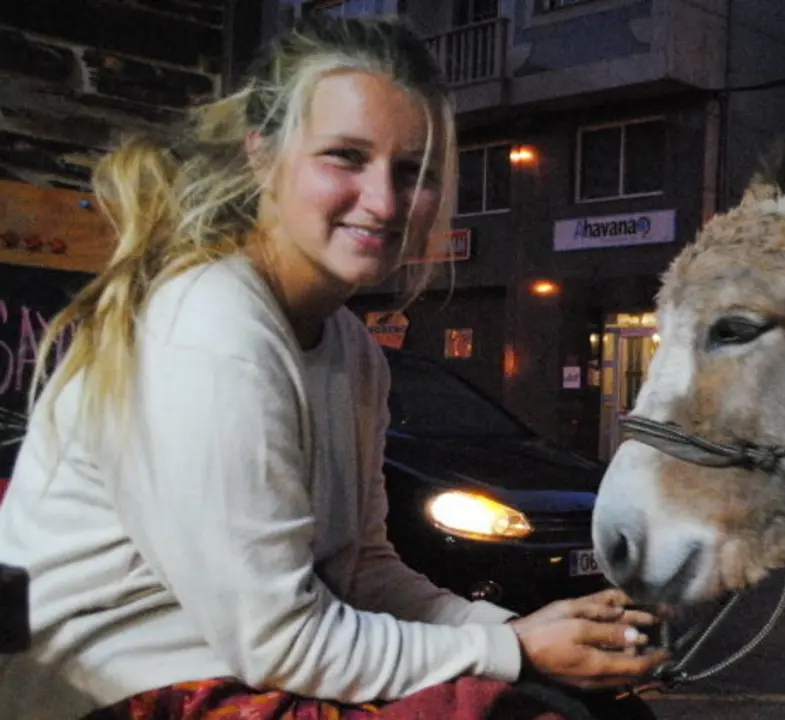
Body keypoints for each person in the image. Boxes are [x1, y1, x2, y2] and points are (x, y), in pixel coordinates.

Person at [0, 15, 667, 720]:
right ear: (262, 156)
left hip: (241, 666)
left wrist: (522, 633)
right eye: (345, 157)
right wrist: (516, 651)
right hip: (109, 693)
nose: (384, 201)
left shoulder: (353, 349)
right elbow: (281, 641)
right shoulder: (212, 325)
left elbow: (363, 571)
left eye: (412, 172)